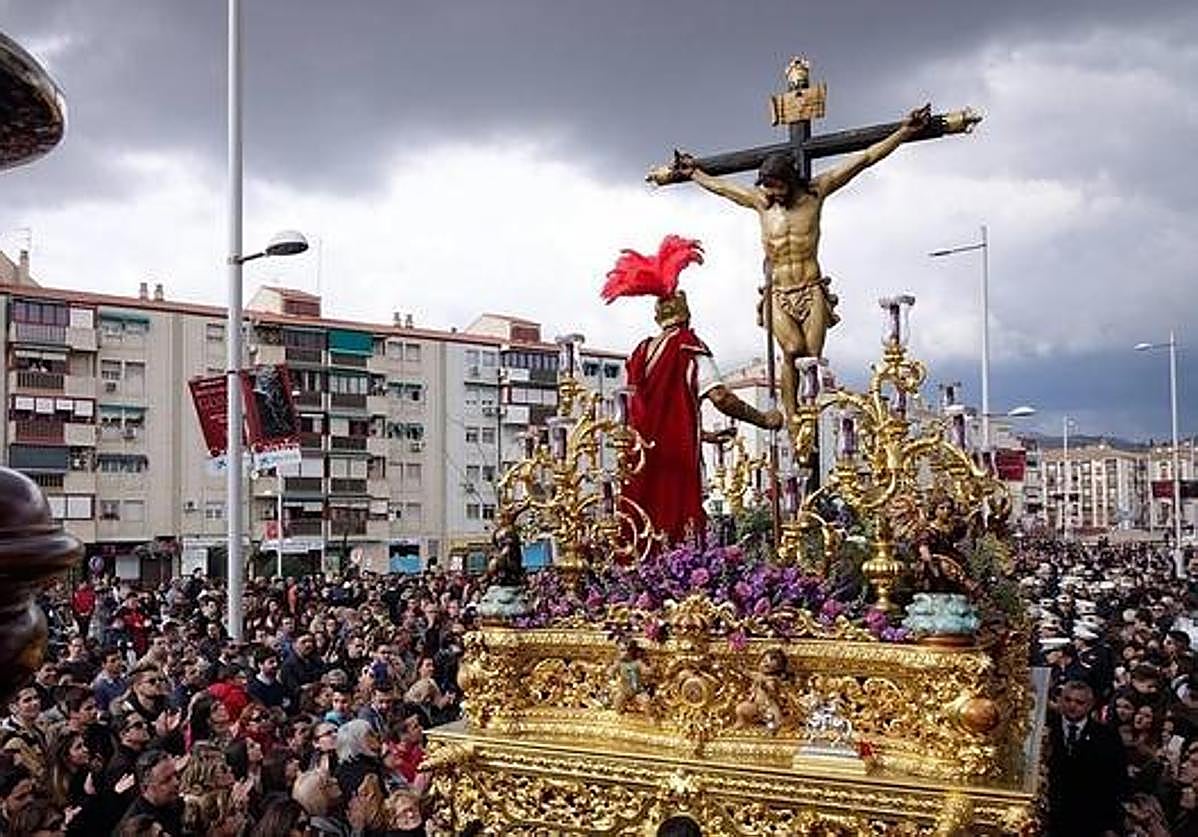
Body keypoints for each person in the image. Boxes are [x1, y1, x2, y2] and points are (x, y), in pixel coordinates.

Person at [672, 105, 931, 441]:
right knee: (791, 349)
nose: (771, 193)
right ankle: (793, 418)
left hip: (810, 289)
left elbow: (864, 159)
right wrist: (695, 174)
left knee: (811, 358)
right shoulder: (760, 203)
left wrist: (903, 132)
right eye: (767, 187)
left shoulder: (816, 193)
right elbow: (723, 188)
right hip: (779, 291)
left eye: (777, 186)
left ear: (791, 180)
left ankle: (809, 419)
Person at [601, 235, 783, 544]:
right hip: (675, 463)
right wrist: (763, 420)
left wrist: (705, 435)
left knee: (641, 528)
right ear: (686, 315)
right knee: (678, 530)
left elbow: (656, 413)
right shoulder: (688, 347)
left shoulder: (640, 352)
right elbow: (720, 397)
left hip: (641, 457)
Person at [1046, 679, 1127, 836]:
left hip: (1089, 821)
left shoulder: (1107, 737)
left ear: (1090, 705)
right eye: (1068, 700)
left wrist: (1112, 824)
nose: (1072, 706)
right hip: (1050, 818)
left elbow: (1116, 781)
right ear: (1060, 700)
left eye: (1079, 702)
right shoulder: (1045, 729)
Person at [116, 749, 184, 836]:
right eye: (166, 780)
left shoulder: (178, 805)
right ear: (145, 786)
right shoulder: (135, 827)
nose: (176, 783)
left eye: (176, 775)